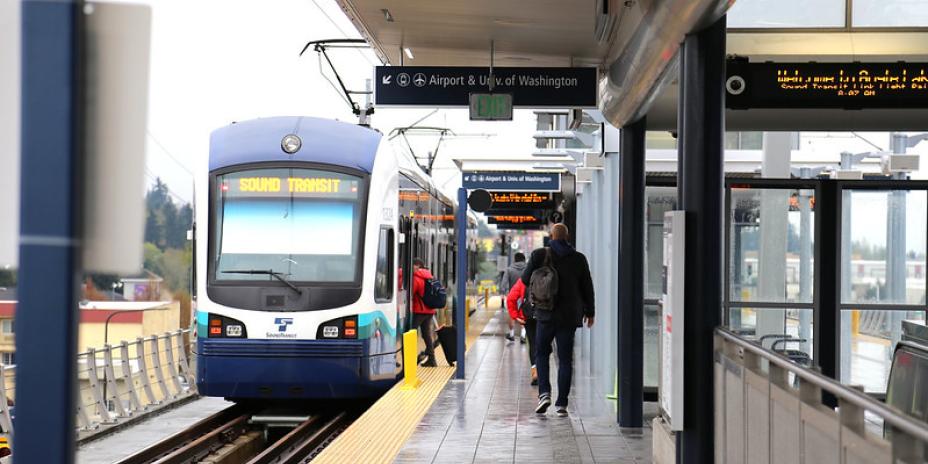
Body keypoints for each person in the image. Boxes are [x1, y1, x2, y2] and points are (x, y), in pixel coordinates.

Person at [521, 223, 594, 417]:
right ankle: (562, 404)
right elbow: (587, 287)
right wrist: (591, 312)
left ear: (551, 236)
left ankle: (544, 393)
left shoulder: (539, 255)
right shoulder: (579, 259)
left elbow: (525, 279)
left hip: (545, 314)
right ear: (567, 238)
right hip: (569, 316)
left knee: (541, 353)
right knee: (565, 359)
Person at [506, 278, 537, 385]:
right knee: (543, 345)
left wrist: (515, 316)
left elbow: (510, 298)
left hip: (528, 316)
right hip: (545, 316)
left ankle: (535, 372)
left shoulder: (524, 279)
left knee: (533, 343)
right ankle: (542, 372)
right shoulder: (549, 275)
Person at [411, 258, 437, 367]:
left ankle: (409, 360)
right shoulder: (429, 276)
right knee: (426, 335)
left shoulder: (417, 278)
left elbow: (411, 292)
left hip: (420, 311)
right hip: (429, 310)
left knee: (411, 332)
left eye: (413, 265)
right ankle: (432, 359)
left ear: (417, 266)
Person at [500, 252, 528, 342]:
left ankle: (511, 334)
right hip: (524, 295)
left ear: (515, 260)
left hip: (513, 295)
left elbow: (504, 282)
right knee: (523, 314)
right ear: (524, 260)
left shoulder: (509, 269)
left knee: (512, 315)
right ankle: (523, 335)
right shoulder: (527, 268)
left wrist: (503, 292)